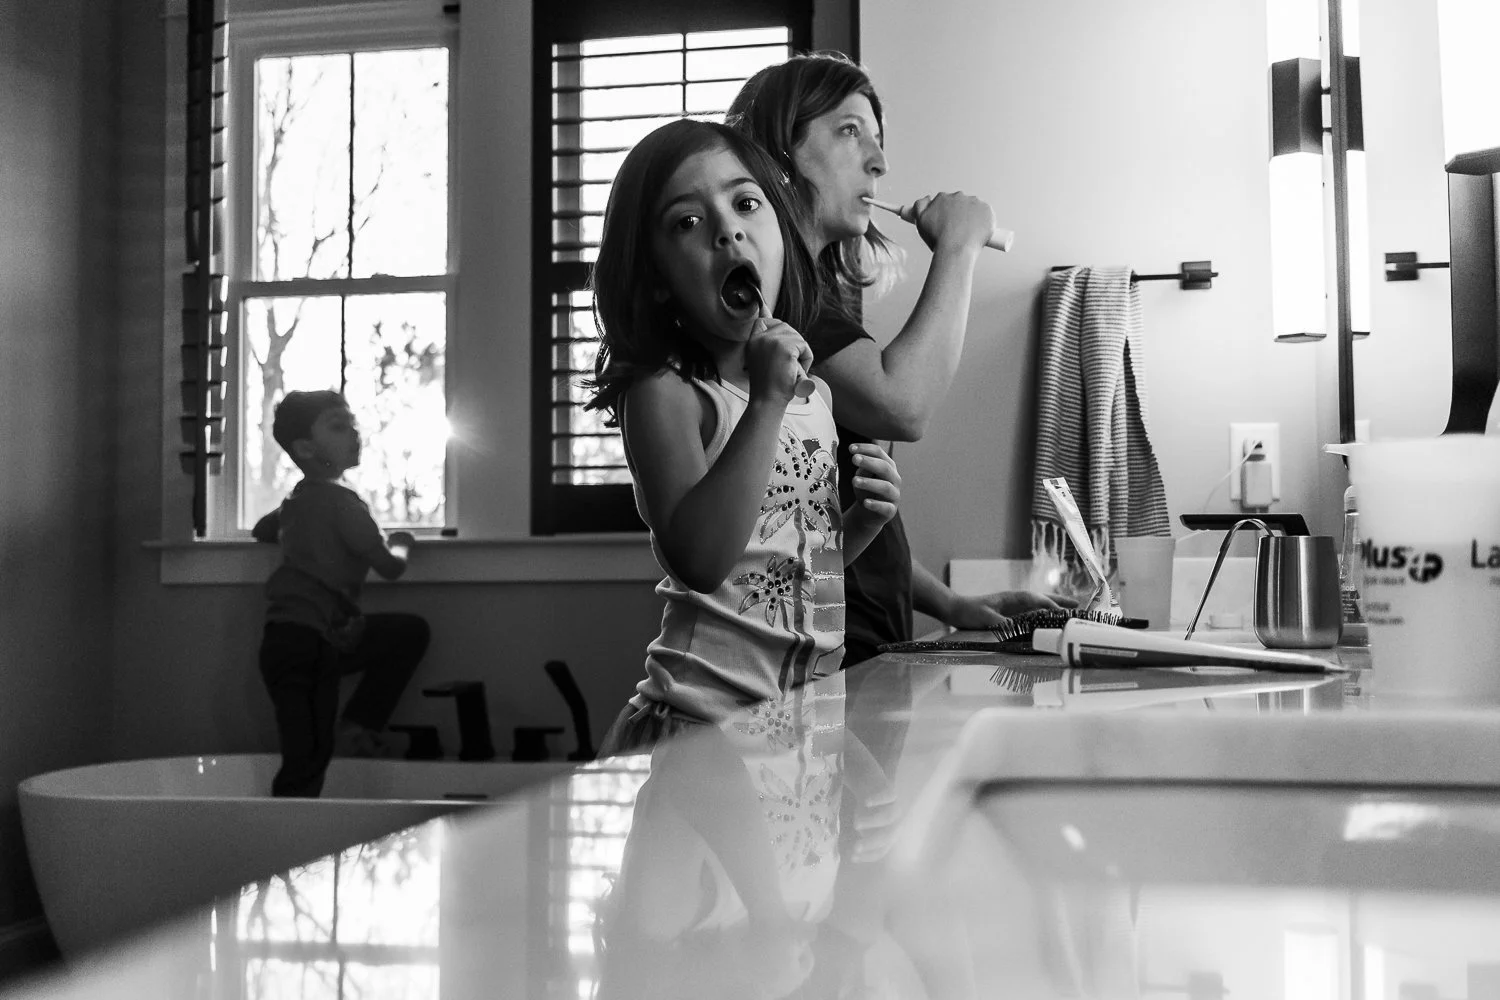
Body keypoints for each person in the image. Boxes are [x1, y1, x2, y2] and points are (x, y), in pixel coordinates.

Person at [728, 53, 1072, 666]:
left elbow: (847, 515)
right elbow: (904, 405)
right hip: (825, 646)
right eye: (849, 130)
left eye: (878, 140)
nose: (880, 162)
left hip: (861, 636)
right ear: (780, 154)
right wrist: (959, 248)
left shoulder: (815, 303)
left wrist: (952, 604)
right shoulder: (783, 308)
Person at [583, 118, 902, 756]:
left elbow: (791, 575)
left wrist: (856, 526)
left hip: (801, 731)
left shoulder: (813, 396)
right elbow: (700, 562)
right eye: (687, 222)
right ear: (655, 277)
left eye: (745, 203)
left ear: (781, 236)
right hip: (702, 733)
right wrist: (764, 402)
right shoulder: (667, 391)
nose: (727, 228)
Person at [253, 389, 430, 797]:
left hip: (285, 640)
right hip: (315, 644)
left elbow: (265, 529)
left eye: (352, 423)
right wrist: (403, 540)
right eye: (338, 425)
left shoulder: (297, 501)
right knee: (310, 757)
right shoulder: (345, 503)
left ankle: (352, 736)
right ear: (306, 448)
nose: (354, 432)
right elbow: (389, 566)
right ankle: (290, 832)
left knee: (304, 750)